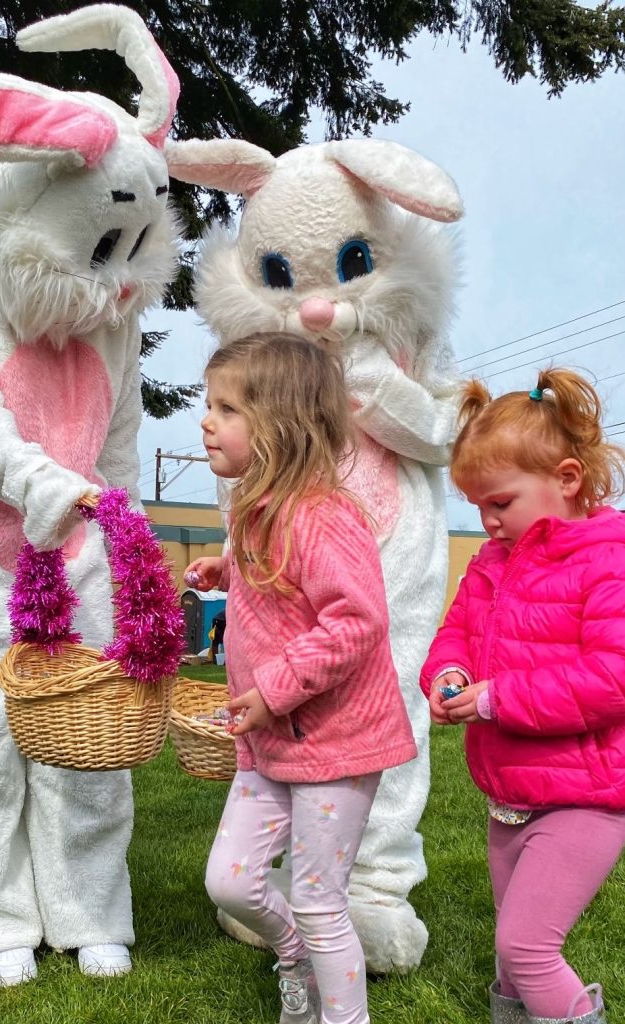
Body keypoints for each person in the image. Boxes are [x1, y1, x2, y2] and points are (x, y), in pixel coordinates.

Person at [420, 368, 625, 1024]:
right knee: (511, 960)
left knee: (527, 945)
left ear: (565, 479)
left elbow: (623, 675)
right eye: (477, 506)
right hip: (512, 795)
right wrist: (447, 677)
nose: (488, 521)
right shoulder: (492, 565)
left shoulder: (612, 560)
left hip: (587, 797)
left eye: (500, 502)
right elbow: (457, 638)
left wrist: (497, 698)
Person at [185, 334, 417, 1024]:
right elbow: (282, 584)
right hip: (273, 741)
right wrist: (225, 572)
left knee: (320, 901)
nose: (206, 420)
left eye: (227, 408)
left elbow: (357, 620)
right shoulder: (256, 510)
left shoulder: (323, 514)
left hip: (334, 746)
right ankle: (293, 955)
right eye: (209, 404)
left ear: (280, 426)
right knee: (229, 882)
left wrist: (275, 687)